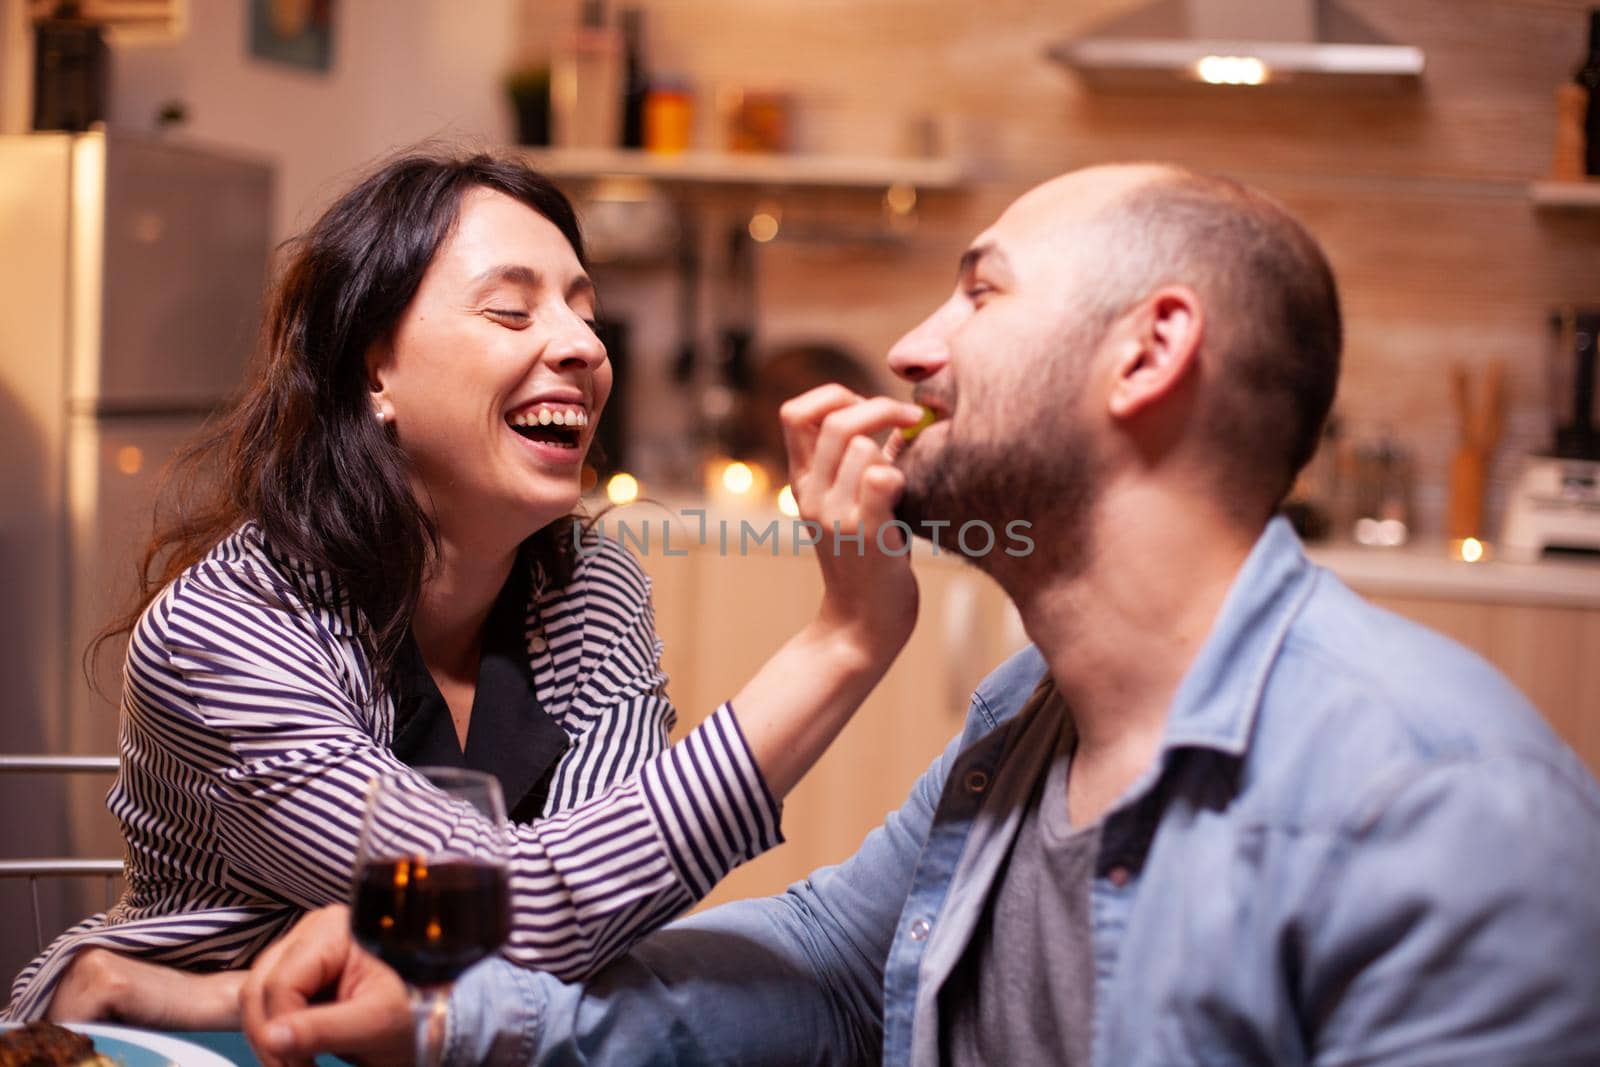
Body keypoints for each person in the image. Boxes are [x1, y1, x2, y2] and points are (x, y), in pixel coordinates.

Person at [243, 162, 1600, 1067]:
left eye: (980, 289)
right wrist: (450, 1013)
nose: (909, 349)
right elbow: (836, 959)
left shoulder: (1442, 806)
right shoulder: (1027, 719)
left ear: (1150, 350)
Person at [4, 150, 923, 1022]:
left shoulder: (592, 587)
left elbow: (594, 926)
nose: (582, 346)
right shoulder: (229, 630)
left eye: (582, 310)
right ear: (376, 371)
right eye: (512, 313)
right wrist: (843, 639)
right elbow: (528, 912)